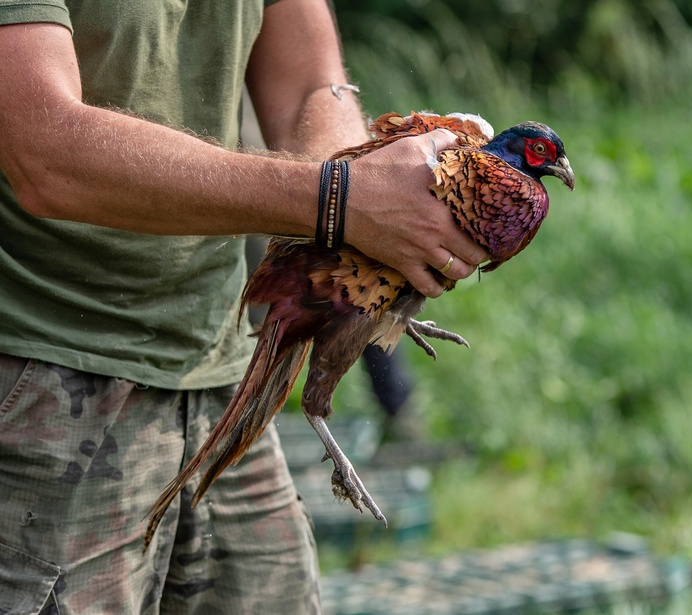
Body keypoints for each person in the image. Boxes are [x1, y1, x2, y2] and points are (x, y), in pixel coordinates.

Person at [0, 1, 489, 613]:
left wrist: (367, 202)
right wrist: (338, 199)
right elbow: (43, 152)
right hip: (43, 379)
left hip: (224, 379)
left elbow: (312, 84)